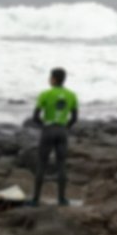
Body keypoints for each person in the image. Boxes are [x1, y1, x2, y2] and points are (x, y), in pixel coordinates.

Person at [28, 67, 78, 207]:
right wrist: (65, 128)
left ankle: (35, 199)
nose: (49, 79)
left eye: (50, 77)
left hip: (48, 130)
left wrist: (43, 126)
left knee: (42, 164)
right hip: (62, 131)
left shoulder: (45, 94)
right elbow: (74, 118)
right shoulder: (72, 95)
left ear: (54, 79)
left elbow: (35, 116)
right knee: (61, 165)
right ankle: (62, 199)